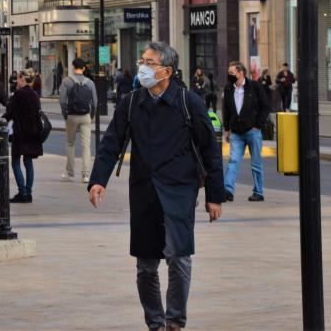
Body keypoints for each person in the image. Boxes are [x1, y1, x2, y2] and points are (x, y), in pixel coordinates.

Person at [88, 42, 225, 331]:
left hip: (179, 190)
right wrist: (98, 180)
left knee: (179, 257)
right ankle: (155, 322)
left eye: (150, 63)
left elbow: (210, 150)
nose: (143, 67)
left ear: (167, 71)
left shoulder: (189, 102)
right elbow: (111, 142)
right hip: (144, 192)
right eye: (143, 61)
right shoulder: (132, 102)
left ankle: (175, 321)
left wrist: (215, 196)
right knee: (146, 266)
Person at [221, 61, 270, 202]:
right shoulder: (229, 88)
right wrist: (226, 129)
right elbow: (226, 109)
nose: (229, 76)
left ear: (240, 73)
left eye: (231, 73)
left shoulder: (254, 87)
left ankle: (258, 192)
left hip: (252, 131)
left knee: (256, 163)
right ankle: (228, 190)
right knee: (233, 160)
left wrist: (258, 125)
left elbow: (265, 106)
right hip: (236, 132)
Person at [3, 68, 42, 202]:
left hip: (21, 132)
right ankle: (28, 192)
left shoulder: (19, 94)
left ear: (22, 79)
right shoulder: (35, 94)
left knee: (15, 161)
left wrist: (1, 121)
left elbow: (10, 112)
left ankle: (22, 192)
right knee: (28, 161)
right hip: (33, 132)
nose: (16, 81)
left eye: (18, 79)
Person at [59, 58, 97, 183]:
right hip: (85, 115)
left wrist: (65, 114)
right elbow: (95, 102)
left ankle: (70, 173)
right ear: (84, 68)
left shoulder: (67, 81)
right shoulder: (90, 83)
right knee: (86, 146)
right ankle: (85, 175)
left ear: (72, 67)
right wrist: (91, 116)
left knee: (70, 144)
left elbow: (63, 101)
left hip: (72, 116)